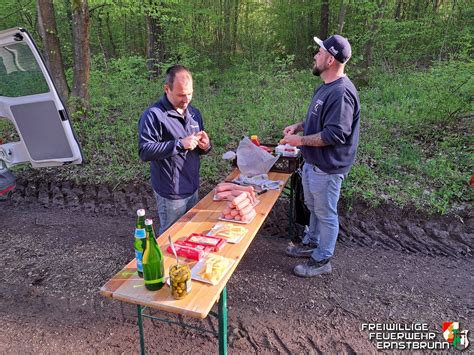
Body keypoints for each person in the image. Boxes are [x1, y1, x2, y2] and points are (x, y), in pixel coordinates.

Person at [281, 34, 360, 277]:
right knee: (313, 206)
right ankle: (312, 242)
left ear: (330, 60)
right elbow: (320, 119)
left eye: (320, 51)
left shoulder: (341, 92)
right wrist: (299, 127)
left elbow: (335, 134)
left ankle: (322, 259)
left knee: (326, 213)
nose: (315, 55)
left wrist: (300, 141)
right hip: (314, 163)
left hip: (328, 168)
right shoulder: (326, 87)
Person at [138, 65, 211, 235]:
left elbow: (197, 148)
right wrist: (179, 144)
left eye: (190, 94)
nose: (186, 100)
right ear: (167, 89)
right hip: (171, 192)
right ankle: (161, 261)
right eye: (181, 95)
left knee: (190, 232)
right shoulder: (153, 115)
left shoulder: (194, 113)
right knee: (171, 236)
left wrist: (206, 146)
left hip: (192, 187)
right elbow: (145, 150)